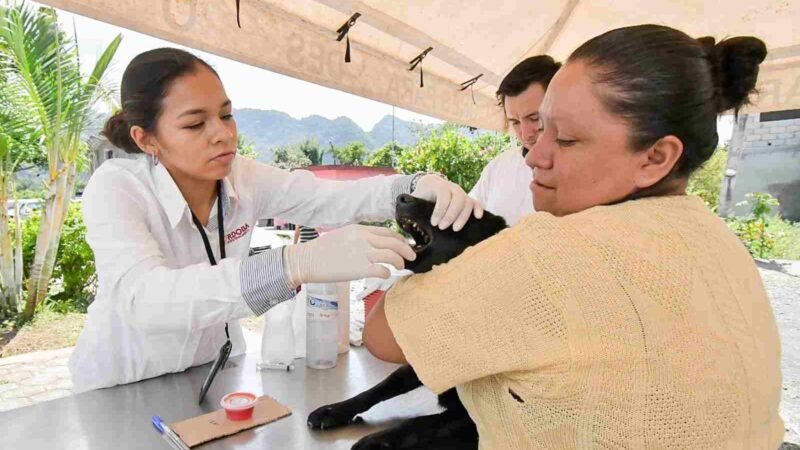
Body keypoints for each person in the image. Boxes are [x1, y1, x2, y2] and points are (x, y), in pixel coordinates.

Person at [364, 25, 784, 448]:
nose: (535, 156)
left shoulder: (556, 249)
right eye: (534, 128)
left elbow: (382, 335)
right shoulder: (718, 239)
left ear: (656, 157)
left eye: (565, 139)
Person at [69, 48, 481, 392]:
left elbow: (331, 199)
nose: (222, 134)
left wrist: (413, 186)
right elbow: (146, 300)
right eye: (195, 124)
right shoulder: (117, 188)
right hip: (121, 384)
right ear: (146, 139)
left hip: (214, 377)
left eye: (226, 115)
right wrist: (293, 264)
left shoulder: (243, 176)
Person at [469, 55, 561, 226]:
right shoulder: (497, 167)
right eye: (515, 122)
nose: (526, 134)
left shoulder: (582, 170)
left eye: (534, 118)